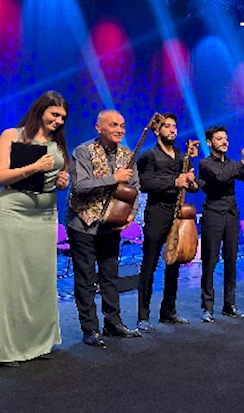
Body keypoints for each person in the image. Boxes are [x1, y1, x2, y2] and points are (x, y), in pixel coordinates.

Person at [0, 91, 70, 367]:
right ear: (41, 111)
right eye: (54, 114)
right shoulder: (11, 135)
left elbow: (56, 178)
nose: (58, 121)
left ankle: (38, 342)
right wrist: (35, 166)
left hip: (44, 216)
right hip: (15, 215)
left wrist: (62, 181)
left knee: (41, 281)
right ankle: (9, 347)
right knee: (13, 282)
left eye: (63, 117)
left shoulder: (56, 143)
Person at [66, 110, 142, 348]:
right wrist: (113, 177)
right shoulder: (83, 151)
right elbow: (80, 186)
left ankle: (113, 322)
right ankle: (90, 328)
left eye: (122, 125)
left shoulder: (128, 155)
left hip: (111, 226)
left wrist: (132, 213)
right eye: (113, 125)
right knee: (86, 278)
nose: (120, 129)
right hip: (83, 224)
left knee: (110, 277)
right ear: (98, 127)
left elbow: (135, 188)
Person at [134, 113, 197, 332]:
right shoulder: (148, 155)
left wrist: (191, 182)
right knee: (149, 263)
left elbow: (188, 181)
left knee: (174, 262)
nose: (172, 130)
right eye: (167, 126)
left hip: (177, 212)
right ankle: (143, 316)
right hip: (157, 211)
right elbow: (143, 183)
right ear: (157, 130)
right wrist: (173, 181)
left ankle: (168, 311)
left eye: (174, 126)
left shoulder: (181, 154)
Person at [197, 125, 244, 323]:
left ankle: (229, 304)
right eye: (219, 138)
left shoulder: (231, 163)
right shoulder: (205, 164)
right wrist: (242, 161)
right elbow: (221, 177)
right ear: (209, 142)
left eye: (226, 138)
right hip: (213, 214)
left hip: (231, 215)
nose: (224, 142)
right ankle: (207, 307)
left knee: (232, 260)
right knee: (210, 261)